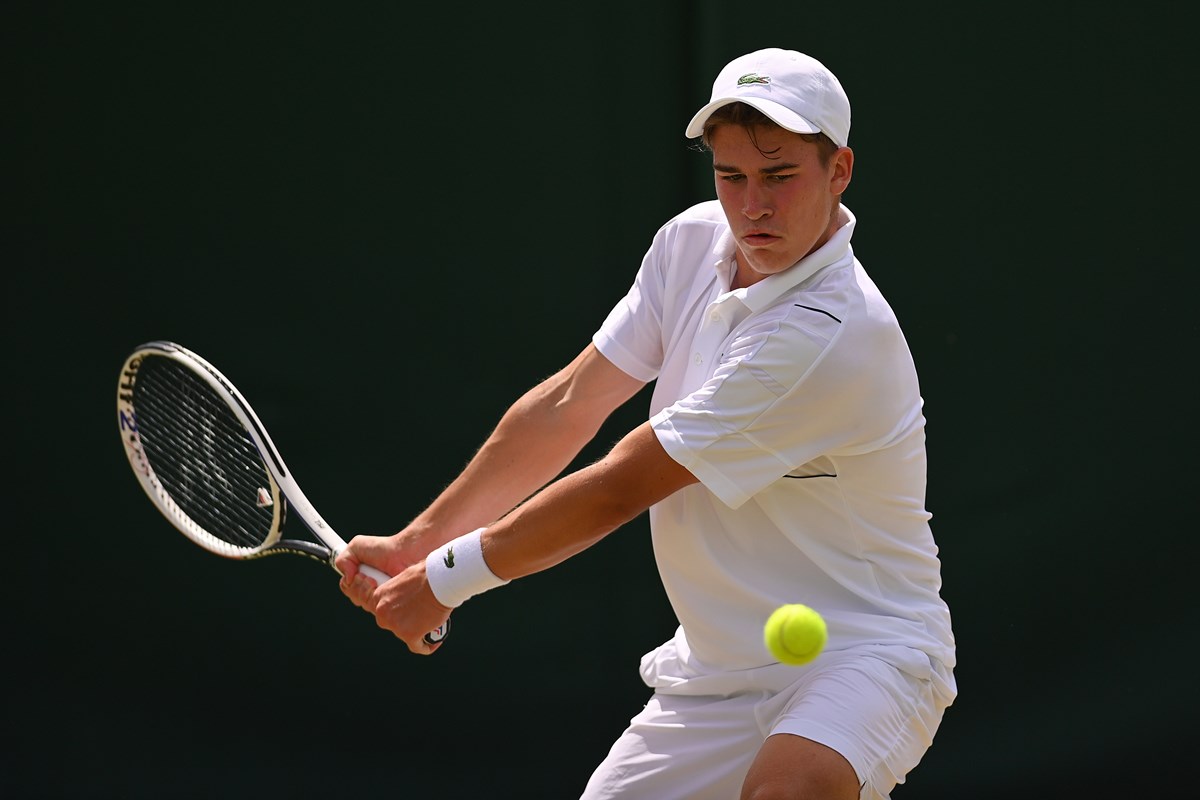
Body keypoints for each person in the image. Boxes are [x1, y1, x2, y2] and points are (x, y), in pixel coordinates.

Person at [337, 47, 956, 800]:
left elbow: (619, 487)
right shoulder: (691, 243)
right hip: (715, 669)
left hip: (865, 655)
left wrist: (445, 580)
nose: (753, 205)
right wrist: (421, 541)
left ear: (840, 171)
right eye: (732, 176)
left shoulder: (829, 332)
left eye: (780, 175)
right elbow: (571, 402)